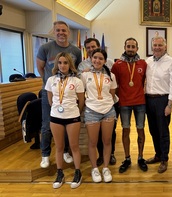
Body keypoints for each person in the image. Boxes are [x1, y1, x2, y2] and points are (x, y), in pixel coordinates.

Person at [36, 20, 82, 168]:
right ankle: (45, 155)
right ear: (54, 32)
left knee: (68, 121)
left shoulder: (75, 51)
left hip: (68, 92)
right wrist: (50, 83)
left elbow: (77, 69)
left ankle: (65, 152)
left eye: (64, 30)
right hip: (50, 91)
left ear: (68, 32)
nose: (61, 33)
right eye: (58, 30)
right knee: (46, 125)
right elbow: (41, 69)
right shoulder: (45, 48)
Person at [45, 52, 85, 189]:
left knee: (74, 146)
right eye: (60, 63)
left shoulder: (77, 81)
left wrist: (74, 112)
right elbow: (51, 100)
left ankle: (78, 172)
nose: (62, 65)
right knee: (59, 147)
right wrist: (58, 109)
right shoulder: (51, 80)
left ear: (70, 64)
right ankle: (60, 173)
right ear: (57, 64)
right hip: (55, 117)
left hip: (73, 117)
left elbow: (81, 102)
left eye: (65, 63)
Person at [111, 37, 148, 173]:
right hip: (124, 103)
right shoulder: (117, 65)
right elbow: (113, 84)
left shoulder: (143, 64)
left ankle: (140, 157)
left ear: (137, 48)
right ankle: (127, 158)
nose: (131, 49)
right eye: (128, 46)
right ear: (124, 47)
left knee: (140, 129)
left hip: (140, 102)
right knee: (125, 130)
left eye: (133, 47)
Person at [80, 49, 118, 183]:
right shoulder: (84, 75)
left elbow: (112, 94)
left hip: (108, 110)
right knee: (92, 142)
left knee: (107, 141)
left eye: (100, 58)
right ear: (91, 58)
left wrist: (105, 103)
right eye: (95, 57)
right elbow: (80, 92)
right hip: (91, 111)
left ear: (105, 60)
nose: (97, 60)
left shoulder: (111, 75)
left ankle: (106, 168)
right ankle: (95, 168)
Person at [145, 36, 172, 173]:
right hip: (149, 99)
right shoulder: (148, 61)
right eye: (155, 45)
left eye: (160, 45)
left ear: (165, 46)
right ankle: (158, 155)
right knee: (153, 130)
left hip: (162, 100)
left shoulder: (171, 63)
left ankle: (164, 159)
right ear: (152, 47)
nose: (157, 48)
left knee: (163, 131)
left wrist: (169, 105)